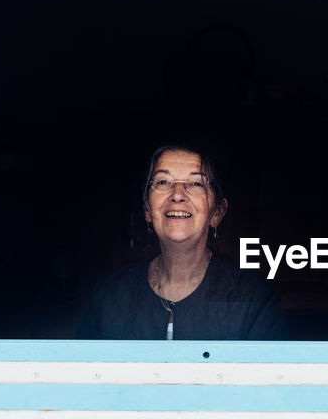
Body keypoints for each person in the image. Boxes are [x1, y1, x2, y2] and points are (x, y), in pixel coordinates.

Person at [78, 144, 287, 340]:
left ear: (217, 212)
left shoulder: (253, 298)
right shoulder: (108, 296)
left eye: (196, 183)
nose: (177, 195)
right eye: (163, 182)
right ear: (147, 210)